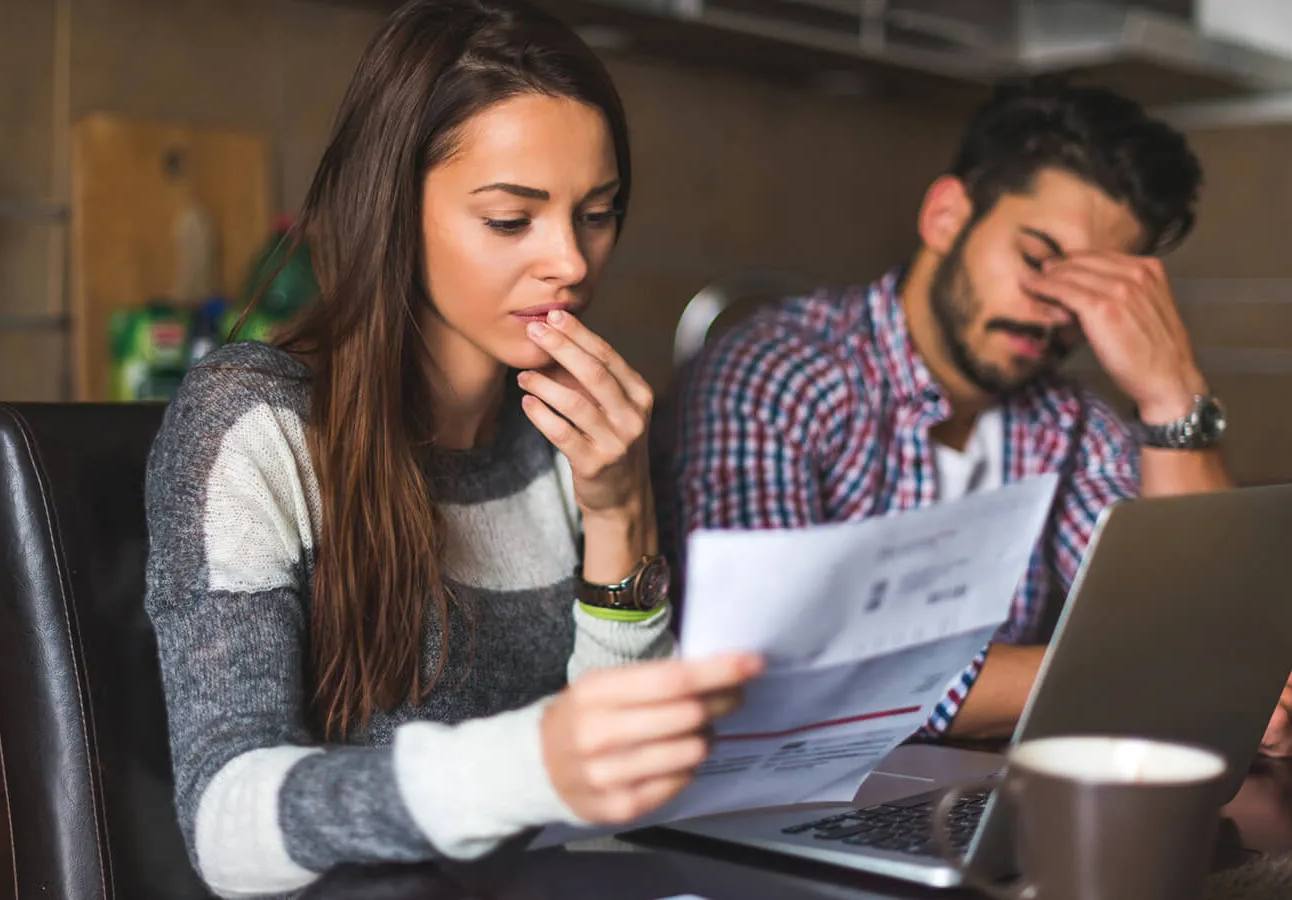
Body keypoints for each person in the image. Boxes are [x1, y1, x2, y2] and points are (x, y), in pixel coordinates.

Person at [143, 0, 763, 895]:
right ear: (393, 209)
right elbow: (226, 823)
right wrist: (529, 763)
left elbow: (618, 799)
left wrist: (619, 508)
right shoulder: (256, 421)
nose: (573, 263)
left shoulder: (569, 431)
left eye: (597, 213)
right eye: (512, 220)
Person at [670, 78, 1287, 748]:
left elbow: (1205, 635)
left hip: (969, 809)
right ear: (946, 216)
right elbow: (774, 669)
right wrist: (1154, 680)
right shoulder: (775, 370)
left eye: (1096, 285)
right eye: (1040, 259)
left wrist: (1171, 395)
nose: (1059, 306)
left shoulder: (1075, 425)